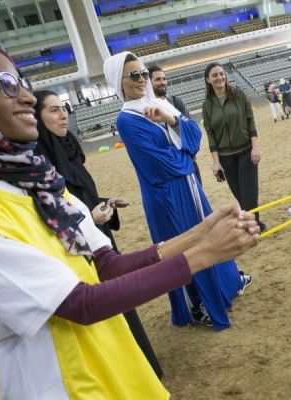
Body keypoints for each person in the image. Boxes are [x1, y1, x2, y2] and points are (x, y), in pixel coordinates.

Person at [0, 37, 259, 399]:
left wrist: (200, 233)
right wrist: (204, 254)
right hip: (46, 385)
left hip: (105, 365)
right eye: (5, 82)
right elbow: (81, 303)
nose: (28, 97)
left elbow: (106, 265)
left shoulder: (39, 181)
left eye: (23, 81)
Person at [103, 52, 253, 332]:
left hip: (189, 186)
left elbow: (194, 136)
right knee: (184, 248)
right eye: (133, 75)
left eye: (143, 73)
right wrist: (185, 157)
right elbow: (160, 165)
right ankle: (197, 306)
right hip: (167, 196)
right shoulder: (126, 120)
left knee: (209, 237)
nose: (141, 79)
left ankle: (227, 286)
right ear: (118, 82)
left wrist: (171, 121)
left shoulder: (159, 103)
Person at [32, 89, 164, 377]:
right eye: (53, 110)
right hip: (79, 253)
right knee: (108, 310)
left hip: (100, 238)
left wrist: (103, 203)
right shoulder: (40, 164)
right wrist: (89, 218)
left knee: (123, 308)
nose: (63, 114)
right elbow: (49, 216)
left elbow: (80, 195)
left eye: (63, 107)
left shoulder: (67, 150)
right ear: (38, 119)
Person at [202, 62, 266, 232]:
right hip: (225, 157)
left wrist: (255, 147)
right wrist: (216, 162)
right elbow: (211, 135)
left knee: (249, 193)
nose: (219, 77)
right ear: (208, 80)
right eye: (214, 75)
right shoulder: (207, 105)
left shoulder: (238, 94)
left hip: (246, 151)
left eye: (221, 74)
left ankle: (254, 226)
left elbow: (250, 120)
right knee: (239, 193)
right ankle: (254, 223)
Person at [149, 65, 202, 183]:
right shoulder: (147, 108)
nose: (162, 82)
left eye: (164, 79)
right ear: (149, 83)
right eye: (157, 79)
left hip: (188, 160)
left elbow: (191, 128)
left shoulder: (175, 102)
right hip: (168, 165)